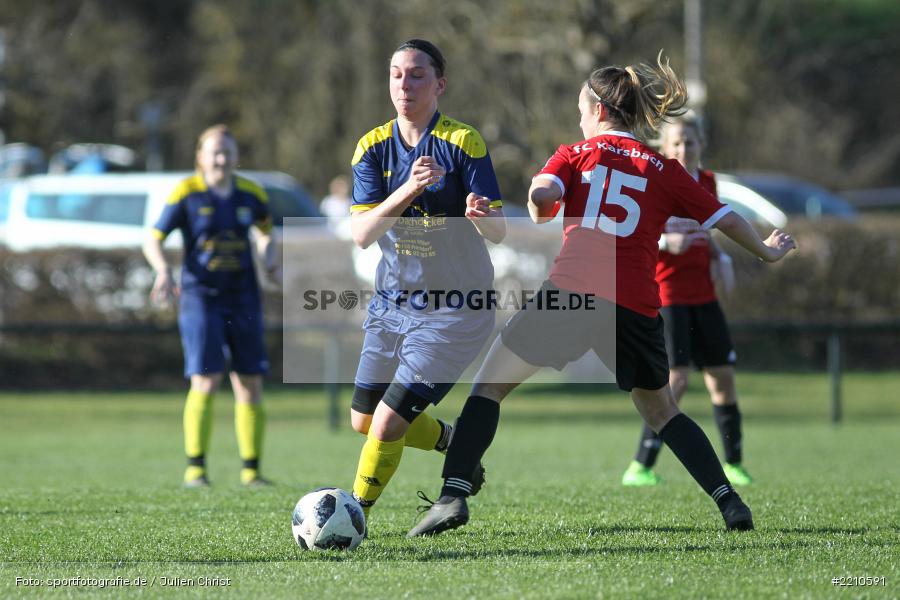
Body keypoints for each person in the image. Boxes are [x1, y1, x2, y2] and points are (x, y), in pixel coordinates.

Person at [409, 53, 795, 537]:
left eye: (579, 108)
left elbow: (543, 199)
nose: (578, 118)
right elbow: (725, 218)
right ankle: (730, 503)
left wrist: (537, 198)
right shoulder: (664, 167)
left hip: (571, 294)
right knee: (661, 411)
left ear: (596, 110)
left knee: (488, 387)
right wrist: (765, 250)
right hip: (633, 303)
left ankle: (453, 496)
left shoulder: (573, 154)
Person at [347, 39, 506, 522]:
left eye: (416, 74)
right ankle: (451, 440)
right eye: (396, 74)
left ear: (439, 84)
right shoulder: (372, 147)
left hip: (455, 308)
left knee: (389, 422)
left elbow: (498, 232)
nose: (404, 84)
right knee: (363, 420)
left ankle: (354, 517)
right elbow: (362, 234)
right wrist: (410, 188)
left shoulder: (463, 142)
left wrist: (479, 216)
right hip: (393, 304)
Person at [143, 124, 279, 488]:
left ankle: (252, 471)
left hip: (244, 296)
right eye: (214, 152)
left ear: (236, 157)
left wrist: (269, 258)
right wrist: (162, 270)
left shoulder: (251, 193)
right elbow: (154, 238)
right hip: (200, 297)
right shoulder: (186, 192)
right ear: (200, 157)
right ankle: (196, 470)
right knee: (206, 378)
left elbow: (266, 231)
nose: (221, 158)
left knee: (249, 380)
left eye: (228, 152)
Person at [622, 117, 751, 487]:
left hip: (704, 296)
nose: (683, 150)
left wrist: (719, 257)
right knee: (673, 383)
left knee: (722, 380)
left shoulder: (708, 182)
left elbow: (709, 226)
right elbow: (637, 230)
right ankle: (641, 465)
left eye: (689, 143)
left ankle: (735, 464)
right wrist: (666, 244)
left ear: (701, 144)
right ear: (664, 147)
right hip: (669, 296)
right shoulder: (653, 179)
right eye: (676, 144)